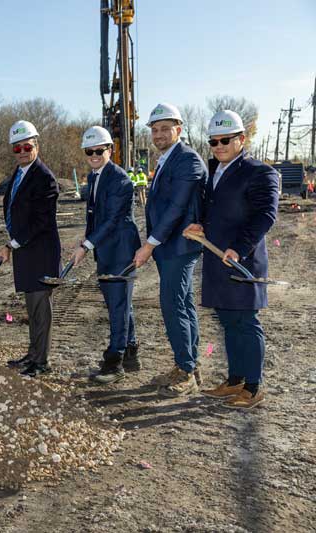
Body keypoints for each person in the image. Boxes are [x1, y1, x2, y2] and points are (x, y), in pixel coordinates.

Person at [184, 110, 278, 408]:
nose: (219, 146)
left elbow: (265, 215)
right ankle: (236, 380)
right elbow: (212, 207)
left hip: (240, 260)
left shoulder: (259, 172)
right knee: (228, 320)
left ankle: (253, 387)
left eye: (225, 140)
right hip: (216, 257)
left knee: (245, 321)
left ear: (241, 138)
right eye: (213, 141)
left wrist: (240, 248)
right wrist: (200, 223)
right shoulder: (214, 170)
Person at [133, 103, 207, 397]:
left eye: (165, 128)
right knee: (183, 303)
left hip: (178, 246)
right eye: (154, 129)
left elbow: (176, 207)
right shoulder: (167, 158)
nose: (159, 134)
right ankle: (188, 364)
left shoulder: (186, 159)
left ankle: (186, 371)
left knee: (172, 305)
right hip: (170, 246)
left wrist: (150, 244)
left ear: (179, 129)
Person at [71, 126, 141, 383]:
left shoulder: (120, 179)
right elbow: (94, 215)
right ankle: (131, 351)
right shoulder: (94, 176)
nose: (94, 155)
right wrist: (86, 239)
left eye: (100, 150)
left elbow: (112, 219)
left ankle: (114, 363)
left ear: (110, 149)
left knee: (118, 305)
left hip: (121, 250)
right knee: (120, 303)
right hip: (106, 248)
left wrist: (87, 244)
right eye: (89, 151)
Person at [0, 120, 60, 377]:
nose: (22, 152)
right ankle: (33, 354)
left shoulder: (45, 178)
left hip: (40, 253)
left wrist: (12, 243)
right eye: (17, 148)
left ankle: (41, 362)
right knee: (32, 309)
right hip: (26, 251)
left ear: (36, 146)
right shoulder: (20, 174)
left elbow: (42, 220)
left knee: (41, 309)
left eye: (27, 146)